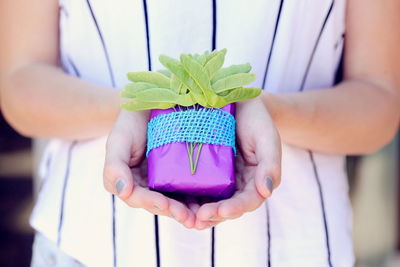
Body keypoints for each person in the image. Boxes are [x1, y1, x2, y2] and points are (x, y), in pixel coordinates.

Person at [0, 0, 399, 266]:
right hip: (91, 243)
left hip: (298, 247)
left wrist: (267, 111)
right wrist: (145, 106)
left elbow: (380, 103)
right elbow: (20, 84)